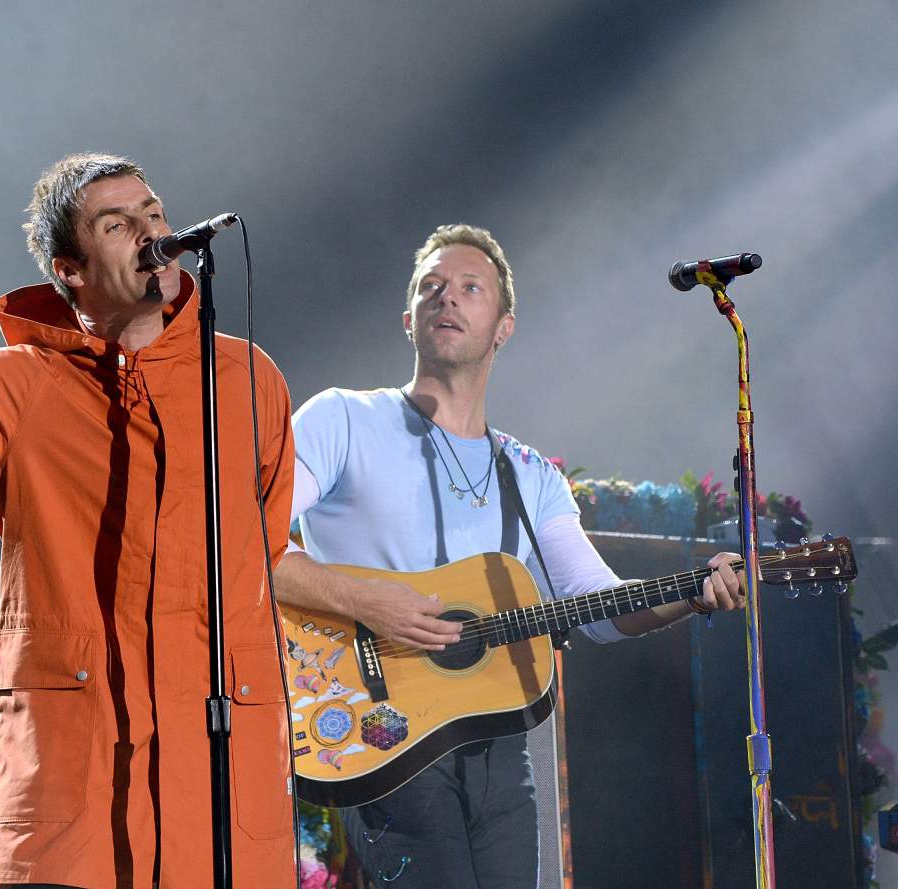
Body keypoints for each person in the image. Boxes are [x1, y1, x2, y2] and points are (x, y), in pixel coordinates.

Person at [0, 153, 295, 889]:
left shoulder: (248, 379)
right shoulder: (18, 387)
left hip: (223, 786)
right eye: (117, 223)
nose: (150, 233)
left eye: (154, 214)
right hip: (81, 792)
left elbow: (264, 545)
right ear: (70, 267)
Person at [275, 223, 744, 888]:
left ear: (503, 327)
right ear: (408, 318)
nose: (448, 298)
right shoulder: (343, 420)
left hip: (499, 757)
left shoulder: (528, 474)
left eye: (471, 288)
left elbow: (598, 607)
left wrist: (695, 591)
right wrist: (365, 601)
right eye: (431, 287)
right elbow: (243, 540)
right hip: (379, 730)